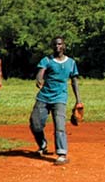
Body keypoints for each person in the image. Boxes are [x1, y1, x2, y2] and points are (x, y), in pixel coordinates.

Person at [30, 36, 82, 165]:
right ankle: (42, 144)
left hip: (60, 97)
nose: (57, 46)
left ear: (64, 46)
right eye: (55, 44)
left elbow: (74, 81)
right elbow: (41, 72)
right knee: (35, 123)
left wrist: (78, 100)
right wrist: (39, 79)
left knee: (59, 125)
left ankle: (62, 153)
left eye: (60, 44)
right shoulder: (47, 60)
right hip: (44, 96)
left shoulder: (71, 63)